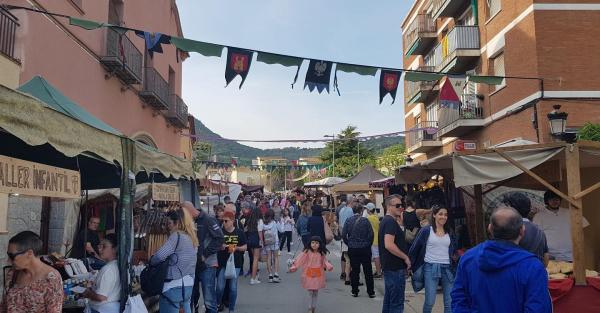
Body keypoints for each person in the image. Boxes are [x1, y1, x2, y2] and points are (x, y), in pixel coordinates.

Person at [451, 207, 551, 312]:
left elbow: (458, 300)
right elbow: (538, 308)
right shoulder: (533, 266)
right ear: (522, 231)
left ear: (489, 228)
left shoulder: (468, 258)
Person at [409, 205, 457, 313]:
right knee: (430, 301)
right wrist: (409, 265)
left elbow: (454, 249)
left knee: (449, 302)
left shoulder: (450, 231)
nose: (443, 217)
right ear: (434, 215)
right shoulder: (426, 230)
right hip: (430, 267)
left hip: (448, 268)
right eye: (440, 214)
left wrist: (455, 258)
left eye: (445, 215)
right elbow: (414, 249)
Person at [0, 231, 63, 313]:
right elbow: (4, 306)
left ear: (29, 253)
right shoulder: (12, 273)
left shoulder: (51, 279)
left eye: (12, 256)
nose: (8, 261)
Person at [150, 209, 198, 313]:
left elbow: (159, 256)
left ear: (178, 223)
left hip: (173, 285)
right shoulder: (192, 238)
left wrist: (151, 261)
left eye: (169, 223)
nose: (168, 226)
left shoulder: (176, 236)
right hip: (188, 285)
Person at [188, 201, 224, 313]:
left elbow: (219, 238)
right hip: (193, 264)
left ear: (189, 211)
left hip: (207, 264)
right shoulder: (189, 221)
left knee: (209, 299)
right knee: (193, 297)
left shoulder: (208, 219)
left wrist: (205, 254)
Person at [533, 190, 590, 261]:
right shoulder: (539, 216)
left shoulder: (570, 212)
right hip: (550, 257)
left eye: (557, 199)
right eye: (551, 199)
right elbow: (536, 236)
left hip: (571, 255)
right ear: (546, 201)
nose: (555, 201)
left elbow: (584, 227)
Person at [379, 194, 411, 313]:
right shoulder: (390, 222)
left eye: (401, 205)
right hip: (394, 268)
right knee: (396, 303)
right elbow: (389, 244)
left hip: (391, 268)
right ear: (388, 206)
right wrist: (405, 257)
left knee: (389, 301)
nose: (401, 207)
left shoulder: (387, 221)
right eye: (397, 205)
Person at [289, 236, 334, 313]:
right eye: (313, 242)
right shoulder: (307, 252)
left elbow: (325, 262)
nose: (314, 244)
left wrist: (329, 266)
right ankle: (310, 308)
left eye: (317, 243)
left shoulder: (321, 253)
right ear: (310, 243)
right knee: (310, 292)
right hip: (308, 274)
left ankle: (314, 307)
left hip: (318, 275)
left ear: (320, 244)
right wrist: (294, 266)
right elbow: (300, 259)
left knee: (315, 292)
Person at [503, 192, 549, 265]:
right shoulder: (540, 232)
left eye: (507, 207)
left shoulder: (508, 229)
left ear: (512, 209)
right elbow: (546, 258)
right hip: (536, 273)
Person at [216, 211, 247, 313]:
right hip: (222, 263)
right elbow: (215, 245)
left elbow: (245, 247)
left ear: (232, 221)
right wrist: (220, 247)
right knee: (220, 287)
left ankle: (231, 309)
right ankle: (217, 303)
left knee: (233, 287)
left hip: (236, 263)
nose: (224, 223)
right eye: (223, 221)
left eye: (226, 221)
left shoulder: (239, 232)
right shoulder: (220, 232)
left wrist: (236, 248)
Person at [81, 234, 120, 313]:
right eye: (100, 246)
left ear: (114, 249)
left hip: (101, 310)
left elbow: (101, 297)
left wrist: (88, 293)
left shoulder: (108, 269)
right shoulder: (116, 265)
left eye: (104, 247)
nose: (100, 250)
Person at [342, 204, 375, 298]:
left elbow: (344, 234)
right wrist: (368, 244)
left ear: (352, 211)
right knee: (368, 270)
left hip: (353, 248)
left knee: (355, 270)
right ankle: (371, 291)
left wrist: (349, 243)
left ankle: (355, 291)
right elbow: (371, 234)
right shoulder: (366, 221)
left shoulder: (348, 221)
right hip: (365, 248)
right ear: (361, 211)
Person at [261, 209, 281, 283]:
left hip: (267, 242)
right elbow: (281, 230)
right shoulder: (275, 222)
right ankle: (276, 275)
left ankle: (270, 275)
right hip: (274, 241)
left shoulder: (263, 223)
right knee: (276, 257)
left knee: (268, 258)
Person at [244, 207, 263, 285]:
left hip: (250, 240)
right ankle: (253, 278)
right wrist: (262, 242)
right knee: (256, 259)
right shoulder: (259, 221)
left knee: (253, 258)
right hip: (256, 240)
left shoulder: (249, 220)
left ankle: (254, 275)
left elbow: (245, 229)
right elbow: (260, 232)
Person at [337, 197, 353, 282]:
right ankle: (348, 276)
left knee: (344, 255)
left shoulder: (342, 210)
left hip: (343, 235)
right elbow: (351, 223)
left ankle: (343, 273)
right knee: (349, 257)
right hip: (348, 236)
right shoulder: (350, 211)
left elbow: (339, 223)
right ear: (351, 202)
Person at [366, 203, 382, 279]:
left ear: (369, 210)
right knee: (378, 255)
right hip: (378, 238)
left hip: (373, 239)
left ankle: (378, 272)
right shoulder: (376, 217)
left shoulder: (369, 218)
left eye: (366, 209)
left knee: (376, 256)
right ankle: (378, 271)